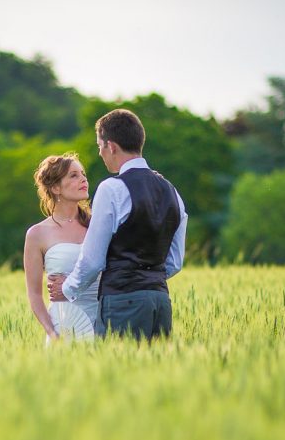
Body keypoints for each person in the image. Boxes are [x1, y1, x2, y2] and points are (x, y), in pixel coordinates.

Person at [48, 109, 187, 340]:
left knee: (119, 373)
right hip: (160, 302)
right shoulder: (172, 190)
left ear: (111, 146)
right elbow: (174, 262)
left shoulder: (112, 188)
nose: (101, 153)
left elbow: (93, 260)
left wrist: (67, 288)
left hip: (123, 302)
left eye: (100, 146)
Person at [23, 153, 100, 344]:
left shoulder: (99, 226)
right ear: (55, 187)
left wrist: (71, 283)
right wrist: (52, 333)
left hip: (104, 323)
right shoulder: (37, 234)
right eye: (73, 175)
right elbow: (34, 294)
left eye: (83, 174)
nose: (84, 179)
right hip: (65, 326)